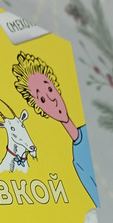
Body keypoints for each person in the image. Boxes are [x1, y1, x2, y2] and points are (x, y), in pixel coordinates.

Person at [12, 52, 99, 207]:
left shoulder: (91, 129)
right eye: (42, 99)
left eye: (50, 90)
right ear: (39, 109)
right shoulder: (78, 160)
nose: (52, 99)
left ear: (56, 88)